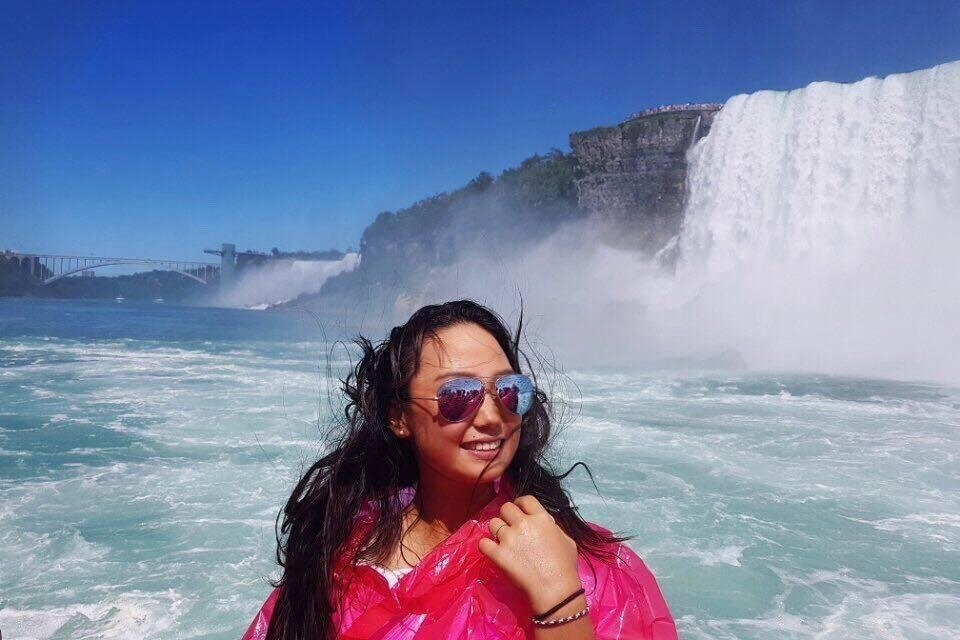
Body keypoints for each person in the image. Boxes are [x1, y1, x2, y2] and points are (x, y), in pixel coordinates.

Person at [241, 300, 677, 639]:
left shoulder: (584, 564)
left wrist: (560, 600)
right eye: (458, 395)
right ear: (399, 416)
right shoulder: (341, 541)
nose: (491, 417)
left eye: (510, 390)